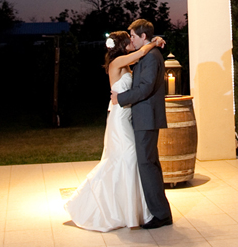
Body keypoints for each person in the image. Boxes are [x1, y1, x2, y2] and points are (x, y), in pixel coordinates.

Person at [63, 30, 165, 231]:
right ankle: (100, 204)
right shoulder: (116, 63)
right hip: (119, 118)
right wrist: (154, 42)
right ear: (122, 45)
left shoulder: (126, 64)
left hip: (127, 117)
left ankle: (131, 209)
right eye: (129, 39)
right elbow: (142, 52)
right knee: (127, 157)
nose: (131, 41)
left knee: (130, 159)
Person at [110, 18, 173, 229]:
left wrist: (121, 99)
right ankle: (156, 210)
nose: (132, 39)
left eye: (134, 36)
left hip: (146, 117)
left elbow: (145, 89)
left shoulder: (151, 57)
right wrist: (155, 41)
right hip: (140, 117)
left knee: (147, 165)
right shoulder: (145, 55)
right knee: (148, 164)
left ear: (142, 36)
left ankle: (161, 214)